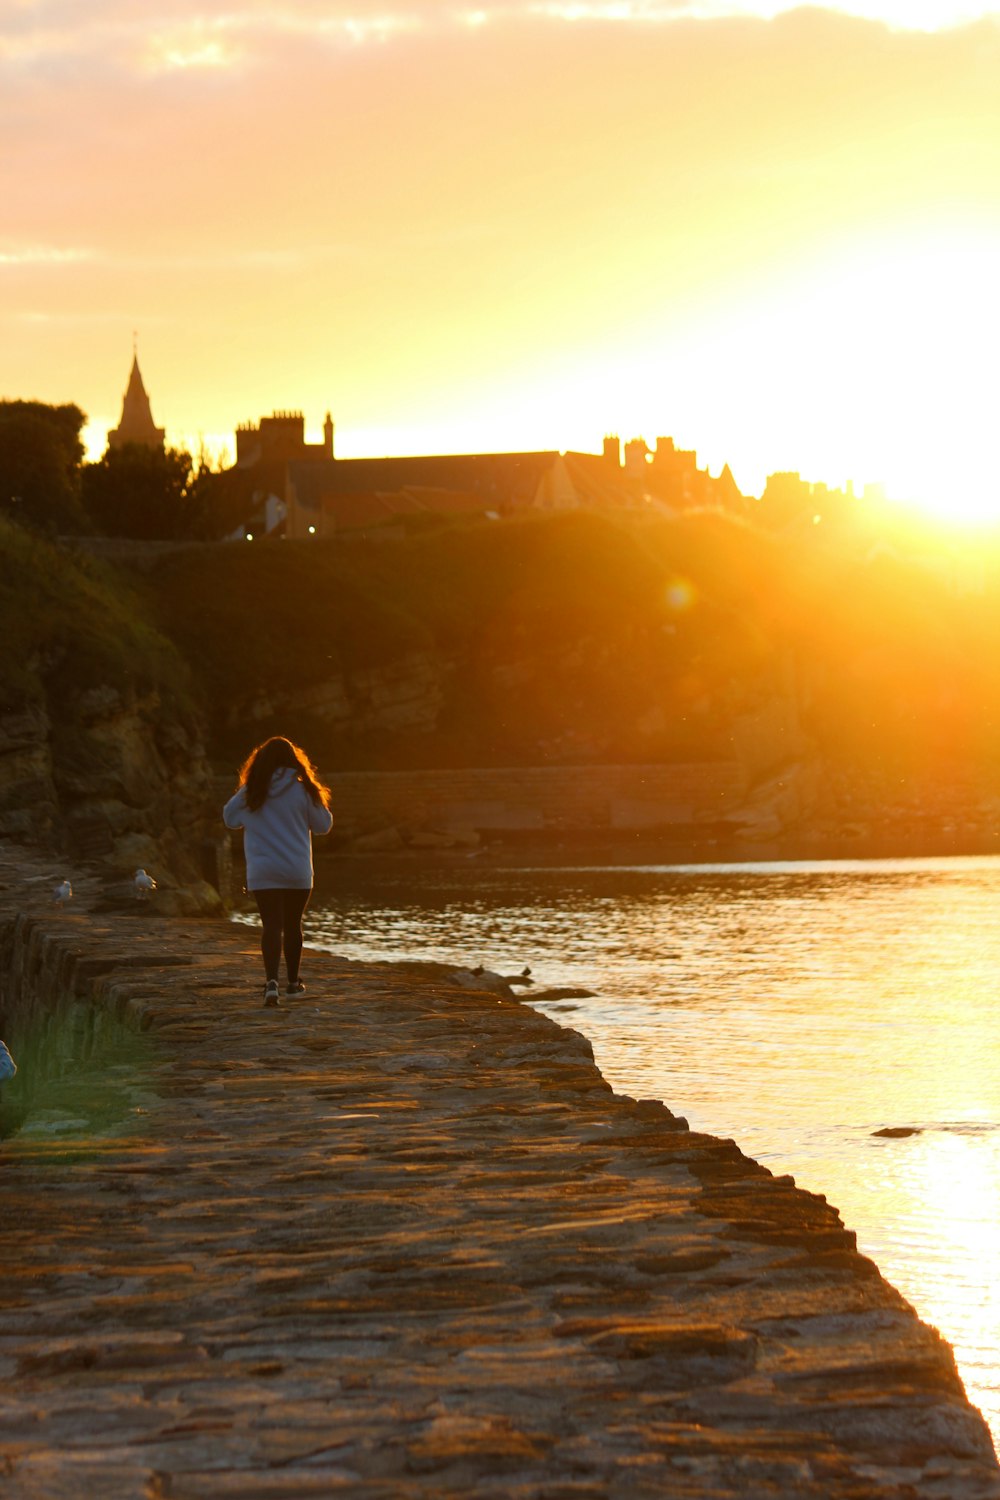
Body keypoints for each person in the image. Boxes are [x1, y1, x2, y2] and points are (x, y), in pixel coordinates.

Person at [223, 737, 333, 1007]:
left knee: (271, 925)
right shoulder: (303, 789)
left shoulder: (253, 790)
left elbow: (229, 818)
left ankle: (271, 983)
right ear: (293, 760)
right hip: (297, 869)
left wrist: (247, 788)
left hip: (264, 870)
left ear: (260, 762)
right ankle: (293, 985)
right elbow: (323, 825)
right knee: (293, 925)